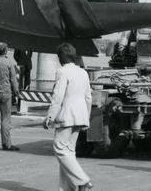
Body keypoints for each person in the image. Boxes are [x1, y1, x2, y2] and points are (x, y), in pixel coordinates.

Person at [43, 42, 93, 191]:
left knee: (59, 148)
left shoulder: (62, 72)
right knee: (69, 152)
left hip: (66, 115)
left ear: (60, 58)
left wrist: (50, 117)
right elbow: (88, 97)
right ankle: (68, 188)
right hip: (81, 115)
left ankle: (83, 181)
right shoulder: (83, 72)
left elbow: (58, 97)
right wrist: (87, 118)